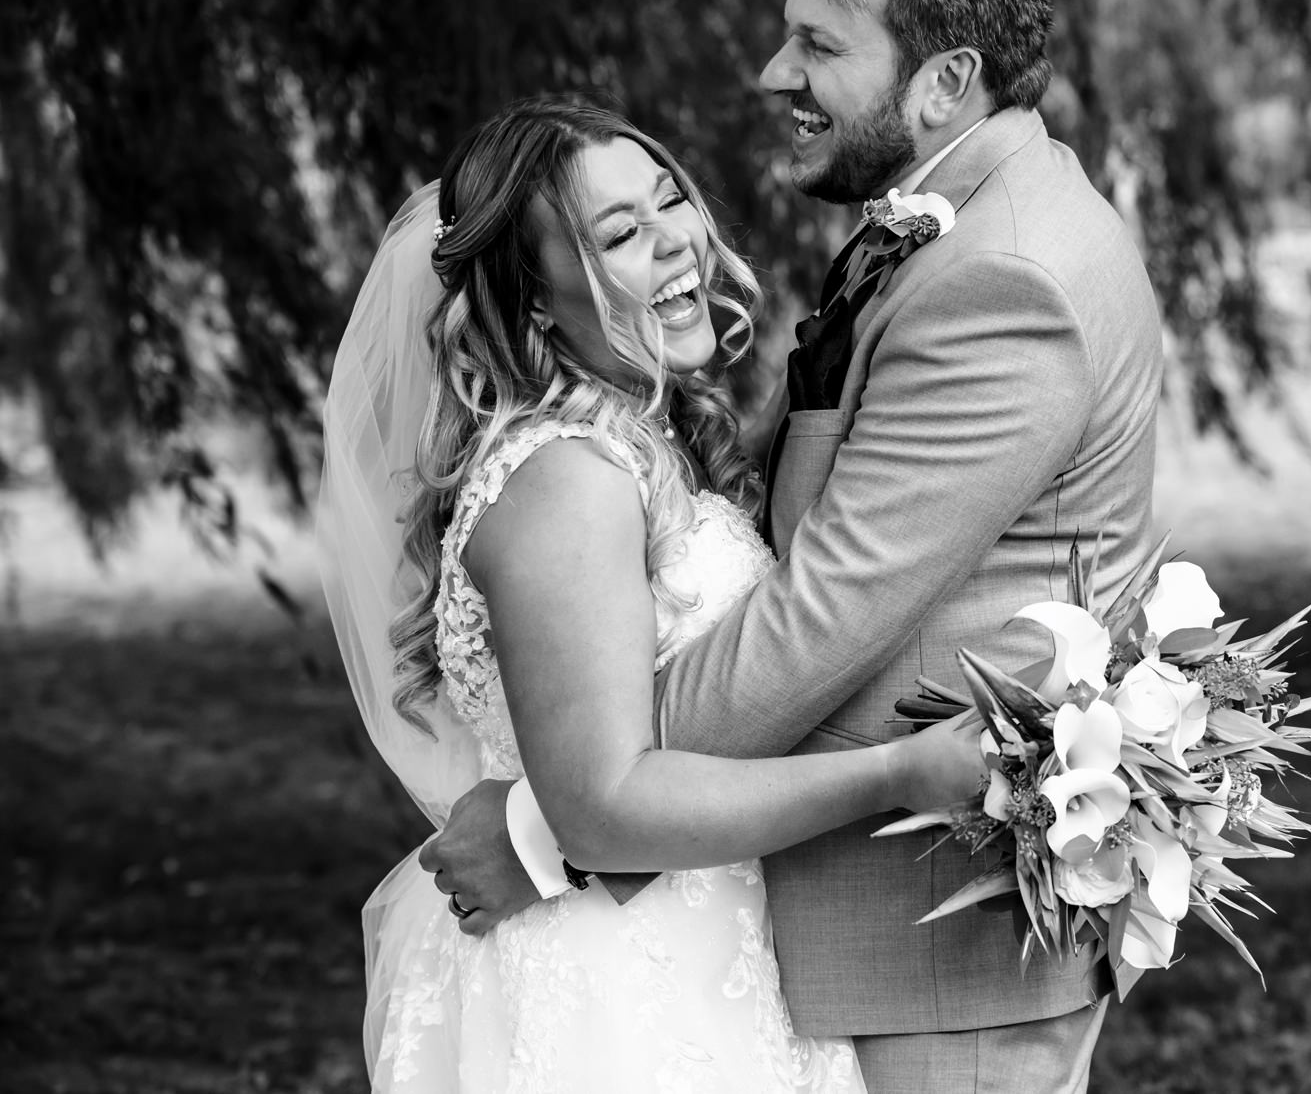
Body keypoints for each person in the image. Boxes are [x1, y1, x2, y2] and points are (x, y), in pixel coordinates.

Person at [426, 0, 1166, 1094]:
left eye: (818, 44)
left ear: (943, 82)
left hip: (935, 952)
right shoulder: (941, 229)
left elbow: (822, 613)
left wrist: (556, 819)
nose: (774, 74)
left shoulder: (1006, 276)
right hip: (811, 949)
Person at [316, 96, 988, 1092]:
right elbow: (602, 808)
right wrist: (895, 774)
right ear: (534, 297)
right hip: (613, 990)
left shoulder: (650, 437)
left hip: (704, 944)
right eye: (621, 233)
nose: (677, 241)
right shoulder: (567, 480)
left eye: (669, 200)